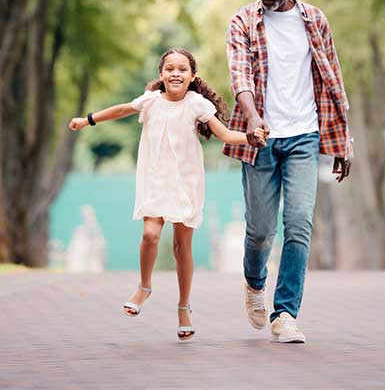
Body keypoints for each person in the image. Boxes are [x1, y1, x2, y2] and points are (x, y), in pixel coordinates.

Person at [69, 48, 265, 341]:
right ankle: (144, 287)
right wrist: (88, 120)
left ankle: (184, 307)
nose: (176, 73)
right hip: (154, 179)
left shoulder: (196, 103)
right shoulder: (150, 102)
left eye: (183, 69)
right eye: (170, 68)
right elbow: (122, 109)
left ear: (193, 76)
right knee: (150, 234)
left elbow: (224, 134)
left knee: (181, 247)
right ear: (161, 74)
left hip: (186, 182)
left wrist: (250, 137)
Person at [224, 0, 353, 343]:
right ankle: (254, 281)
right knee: (260, 231)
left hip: (304, 134)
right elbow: (239, 74)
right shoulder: (243, 20)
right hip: (260, 137)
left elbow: (333, 78)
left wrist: (343, 141)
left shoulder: (314, 20)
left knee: (298, 225)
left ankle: (285, 314)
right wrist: (251, 115)